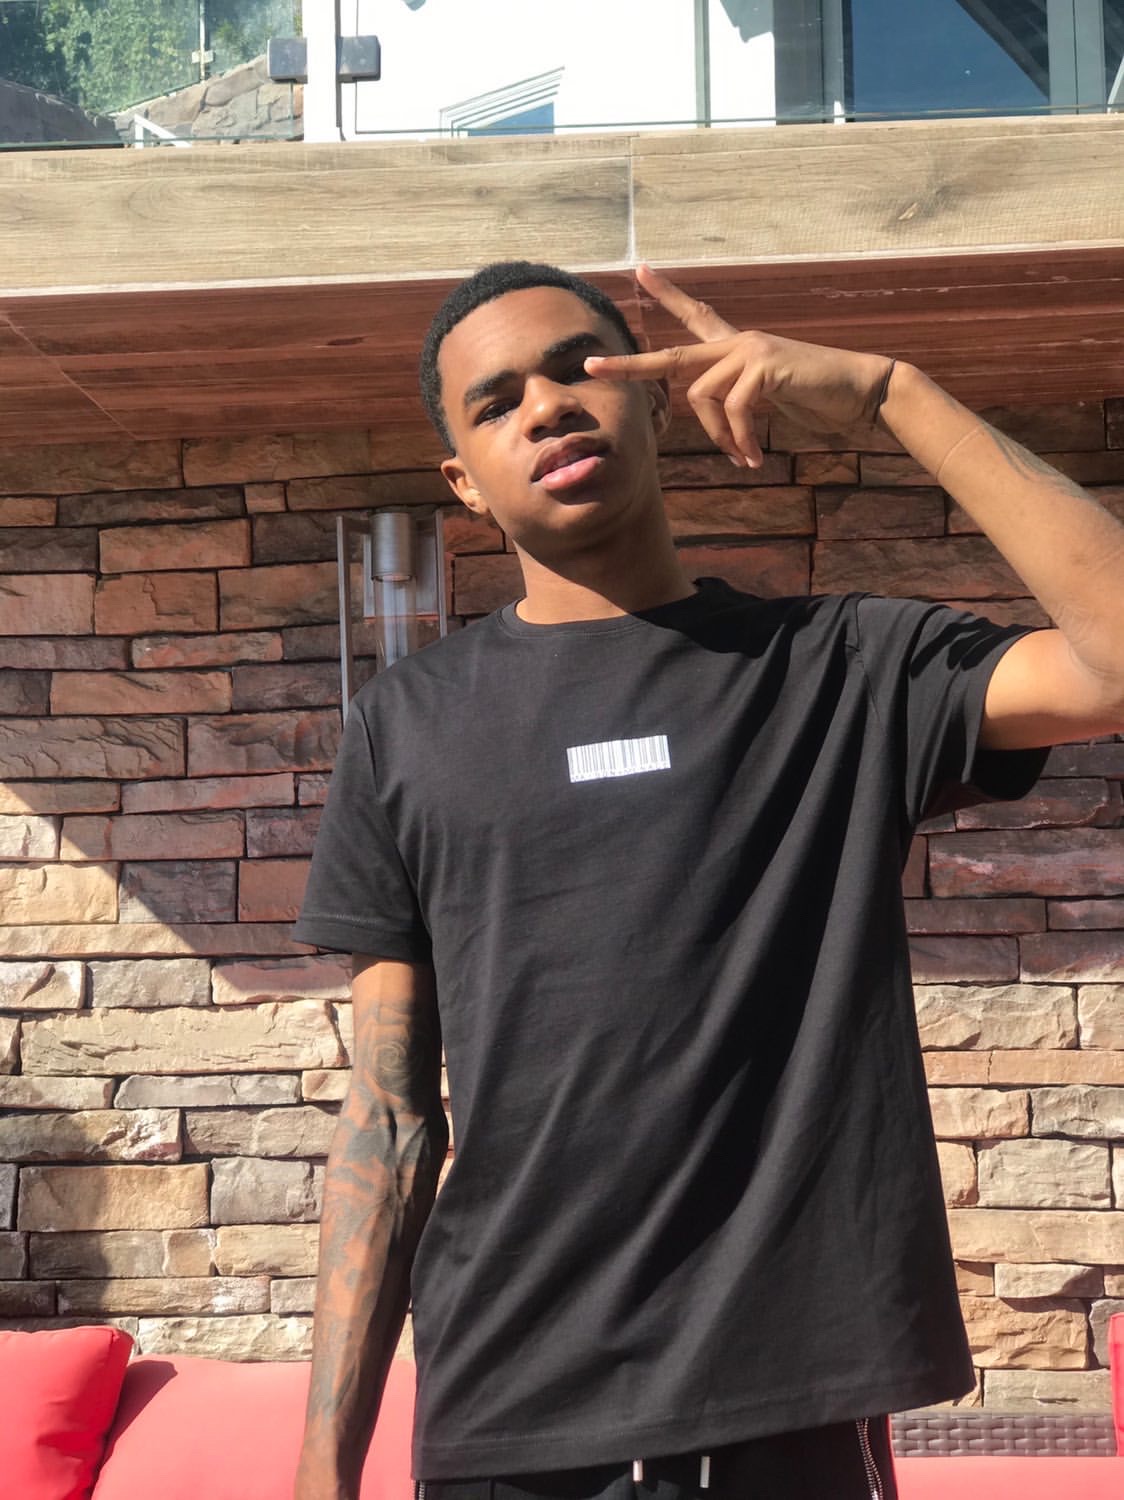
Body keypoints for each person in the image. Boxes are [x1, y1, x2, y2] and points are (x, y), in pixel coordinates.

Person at [292, 261, 1124, 1500]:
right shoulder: (404, 729)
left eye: (578, 369)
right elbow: (389, 1117)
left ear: (655, 400)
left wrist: (891, 392)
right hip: (509, 1420)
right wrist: (322, 1473)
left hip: (786, 1415)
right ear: (462, 481)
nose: (546, 407)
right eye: (496, 401)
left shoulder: (840, 669)